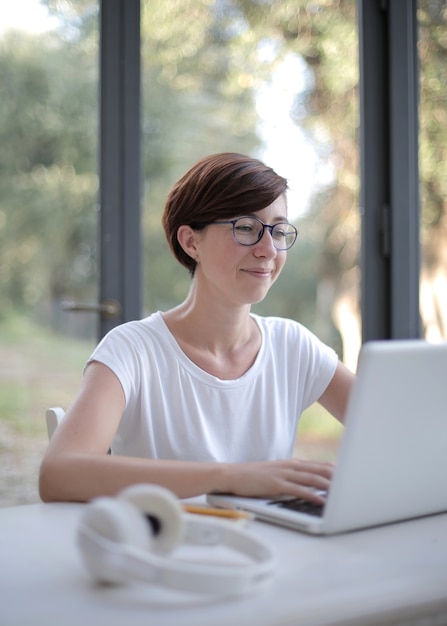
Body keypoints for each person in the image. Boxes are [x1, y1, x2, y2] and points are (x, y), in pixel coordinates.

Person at [39, 152, 355, 505]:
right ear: (191, 242)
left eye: (279, 231)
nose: (268, 249)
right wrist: (230, 478)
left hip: (268, 552)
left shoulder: (292, 345)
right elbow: (58, 474)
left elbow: (395, 427)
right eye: (247, 228)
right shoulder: (133, 349)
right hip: (164, 551)